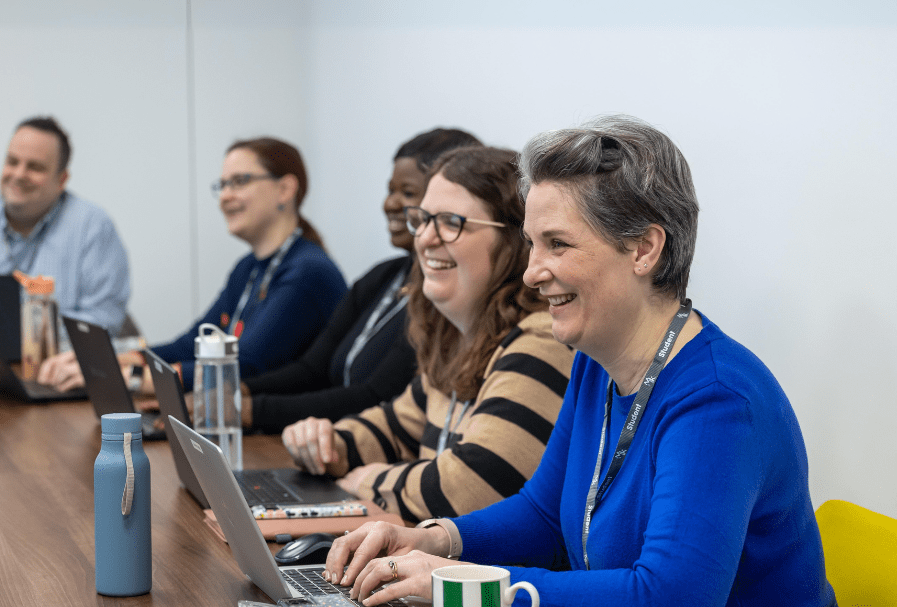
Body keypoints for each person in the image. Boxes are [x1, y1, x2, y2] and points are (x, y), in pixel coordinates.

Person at [320, 116, 835, 607]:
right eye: (531, 245)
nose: (531, 272)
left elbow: (672, 596)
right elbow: (542, 514)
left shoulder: (718, 400)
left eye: (558, 244)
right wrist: (429, 540)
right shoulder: (596, 363)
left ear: (643, 249)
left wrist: (469, 586)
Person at [282, 145, 575, 523]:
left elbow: (471, 487)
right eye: (423, 219)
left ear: (515, 241)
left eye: (451, 222)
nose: (425, 239)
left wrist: (370, 482)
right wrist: (327, 443)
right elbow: (393, 426)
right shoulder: (459, 338)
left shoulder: (543, 340)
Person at [40, 137, 347, 392]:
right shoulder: (248, 268)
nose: (225, 196)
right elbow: (191, 345)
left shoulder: (308, 273)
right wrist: (112, 359)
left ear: (285, 189)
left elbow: (245, 365)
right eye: (222, 185)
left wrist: (131, 379)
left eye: (239, 181)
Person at [242, 128, 481, 433]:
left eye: (407, 193)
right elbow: (312, 369)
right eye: (390, 190)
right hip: (332, 442)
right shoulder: (382, 276)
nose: (390, 204)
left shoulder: (445, 294)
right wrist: (238, 393)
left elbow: (375, 398)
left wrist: (250, 410)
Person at [0, 116, 130, 333]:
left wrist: (31, 342)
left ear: (61, 180)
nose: (19, 174)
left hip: (59, 362)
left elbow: (102, 318)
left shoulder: (94, 229)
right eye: (12, 162)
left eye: (35, 167)